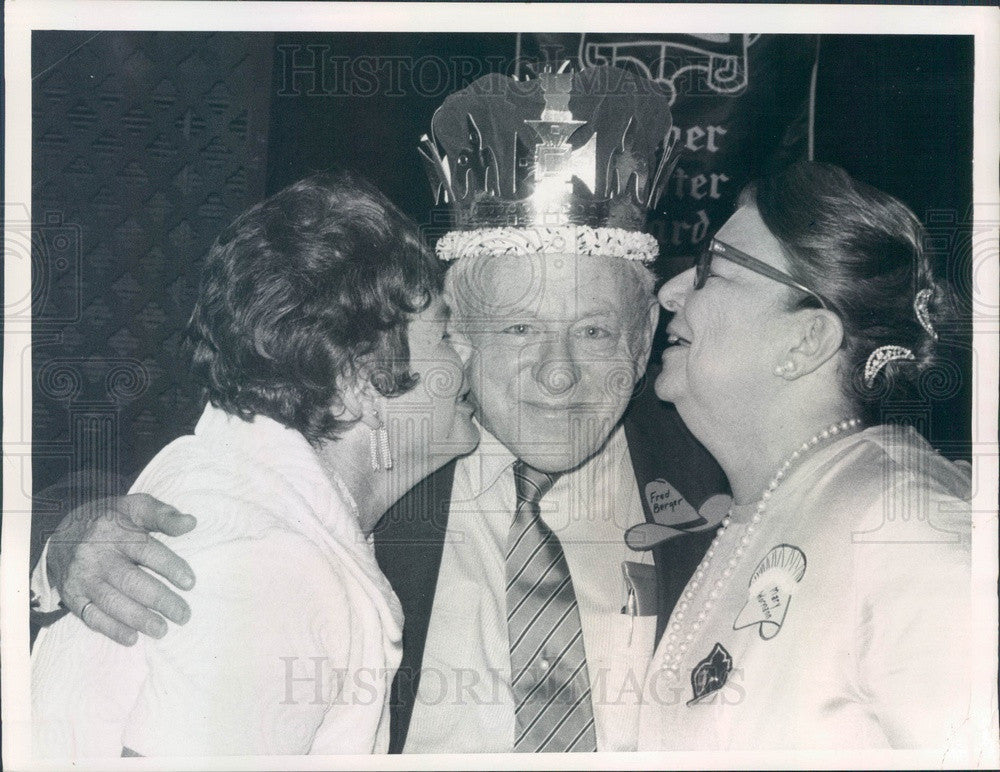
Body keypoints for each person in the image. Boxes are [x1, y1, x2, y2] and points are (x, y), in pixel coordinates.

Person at [31, 66, 728, 753]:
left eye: (595, 332)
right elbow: (156, 492)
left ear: (643, 346)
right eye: (518, 329)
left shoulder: (714, 473)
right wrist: (70, 542)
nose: (558, 372)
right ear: (458, 334)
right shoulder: (364, 453)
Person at [30, 172, 479, 757]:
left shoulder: (229, 484)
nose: (468, 352)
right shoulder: (274, 564)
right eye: (445, 333)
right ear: (354, 385)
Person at [637, 161, 975, 751]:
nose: (669, 291)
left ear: (806, 340)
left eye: (713, 270)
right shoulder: (771, 505)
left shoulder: (904, 525)